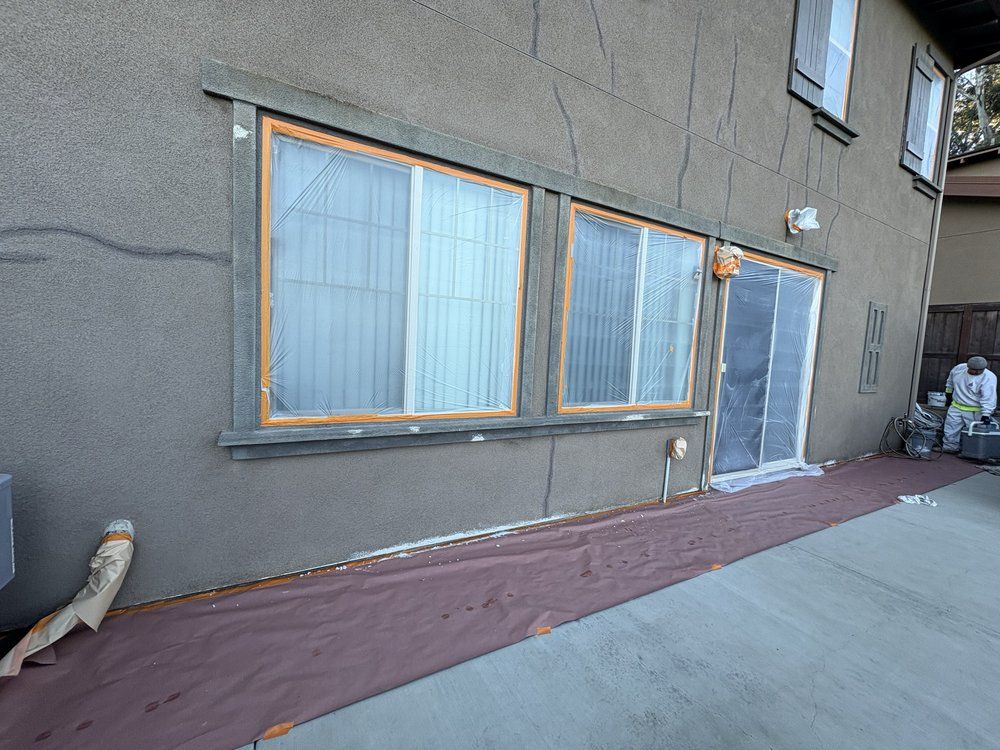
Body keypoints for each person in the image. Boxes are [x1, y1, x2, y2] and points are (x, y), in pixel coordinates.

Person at [943, 356, 997, 452]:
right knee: (950, 429)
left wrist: (986, 414)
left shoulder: (989, 377)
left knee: (972, 433)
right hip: (956, 406)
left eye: (979, 370)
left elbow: (989, 397)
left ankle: (970, 451)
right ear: (968, 367)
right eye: (973, 370)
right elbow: (950, 381)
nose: (976, 372)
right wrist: (948, 392)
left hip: (975, 410)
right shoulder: (959, 369)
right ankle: (949, 448)